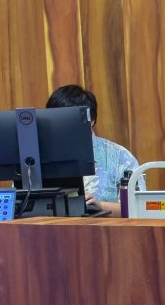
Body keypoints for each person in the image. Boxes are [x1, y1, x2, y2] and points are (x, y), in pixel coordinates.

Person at [46, 84, 138, 217]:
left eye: (70, 119)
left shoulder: (120, 157)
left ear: (92, 120)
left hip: (106, 233)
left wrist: (101, 207)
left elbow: (138, 208)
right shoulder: (38, 159)